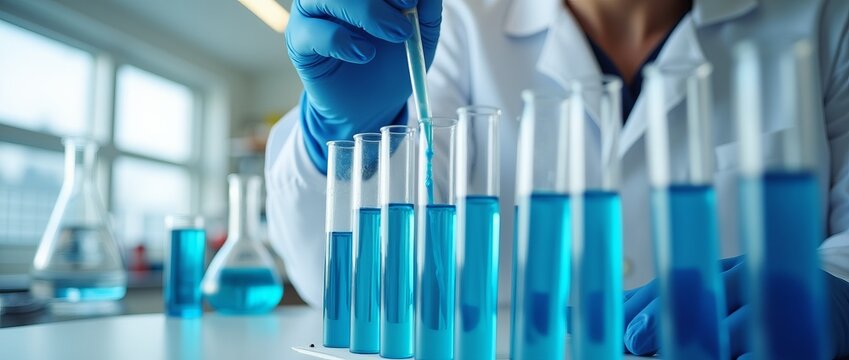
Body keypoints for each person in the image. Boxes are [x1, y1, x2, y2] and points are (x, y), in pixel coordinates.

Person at [265, 0, 849, 357]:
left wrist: (839, 286)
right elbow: (353, 282)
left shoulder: (823, 16)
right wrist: (345, 139)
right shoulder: (455, 23)